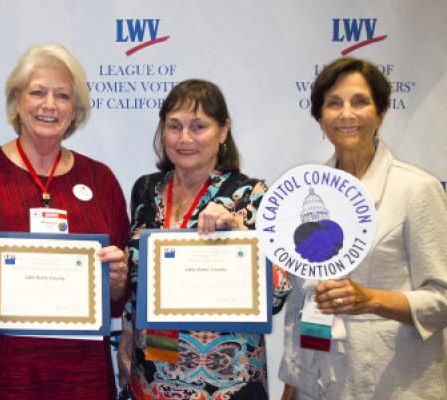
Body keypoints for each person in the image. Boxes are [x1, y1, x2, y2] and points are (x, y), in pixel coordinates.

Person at [0, 43, 130, 399]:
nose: (49, 105)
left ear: (76, 109)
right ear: (18, 101)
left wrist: (117, 280)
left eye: (63, 95)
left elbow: (116, 291)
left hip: (79, 379)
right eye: (38, 92)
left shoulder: (101, 182)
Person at [279, 58, 447, 400]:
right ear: (320, 117)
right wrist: (292, 385)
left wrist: (371, 300)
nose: (346, 114)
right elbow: (301, 303)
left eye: (360, 102)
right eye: (333, 103)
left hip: (395, 382)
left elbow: (442, 298)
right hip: (318, 382)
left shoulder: (416, 189)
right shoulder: (304, 194)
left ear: (381, 113)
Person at [117, 80, 292, 400]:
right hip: (153, 372)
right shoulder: (145, 190)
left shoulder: (253, 197)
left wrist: (240, 235)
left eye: (199, 126)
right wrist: (127, 339)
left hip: (227, 378)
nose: (185, 138)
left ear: (223, 131)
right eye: (174, 126)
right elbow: (137, 279)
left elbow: (278, 294)